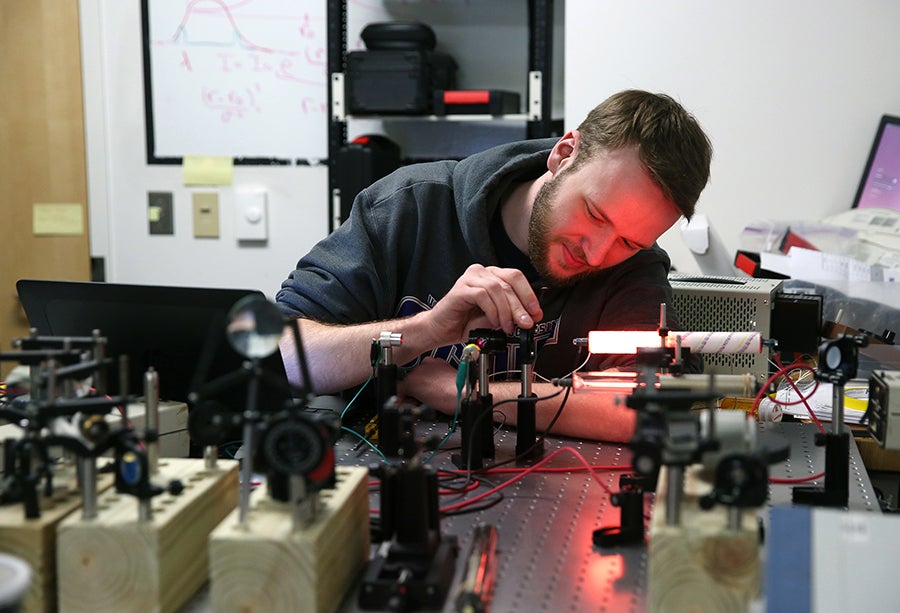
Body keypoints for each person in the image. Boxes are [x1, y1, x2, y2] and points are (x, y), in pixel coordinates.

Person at [276, 89, 713, 442]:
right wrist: (427, 330)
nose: (597, 255)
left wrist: (465, 393)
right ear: (563, 155)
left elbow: (654, 405)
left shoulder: (634, 268)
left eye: (628, 240)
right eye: (596, 215)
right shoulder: (410, 208)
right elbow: (284, 355)